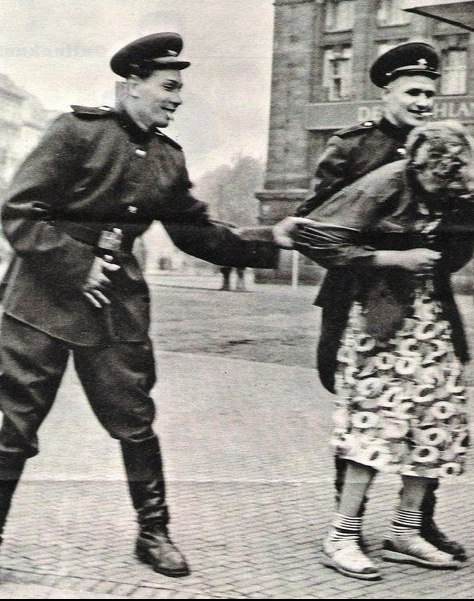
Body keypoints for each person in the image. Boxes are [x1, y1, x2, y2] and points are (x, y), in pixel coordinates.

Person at [0, 32, 305, 578]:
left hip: (114, 307)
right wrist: (76, 264)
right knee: (14, 424)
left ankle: (153, 532)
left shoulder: (167, 157)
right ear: (132, 85)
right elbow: (19, 210)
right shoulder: (75, 132)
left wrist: (270, 238)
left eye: (179, 89)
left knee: (135, 420)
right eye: (168, 87)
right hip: (41, 301)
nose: (177, 99)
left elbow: (197, 233)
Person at [296, 41, 466, 562]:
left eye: (429, 94)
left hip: (425, 303)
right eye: (413, 92)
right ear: (386, 93)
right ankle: (346, 526)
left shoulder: (447, 148)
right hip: (358, 298)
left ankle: (415, 524)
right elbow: (318, 223)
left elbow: (456, 239)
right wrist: (389, 257)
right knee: (365, 416)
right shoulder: (353, 147)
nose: (422, 102)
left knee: (431, 411)